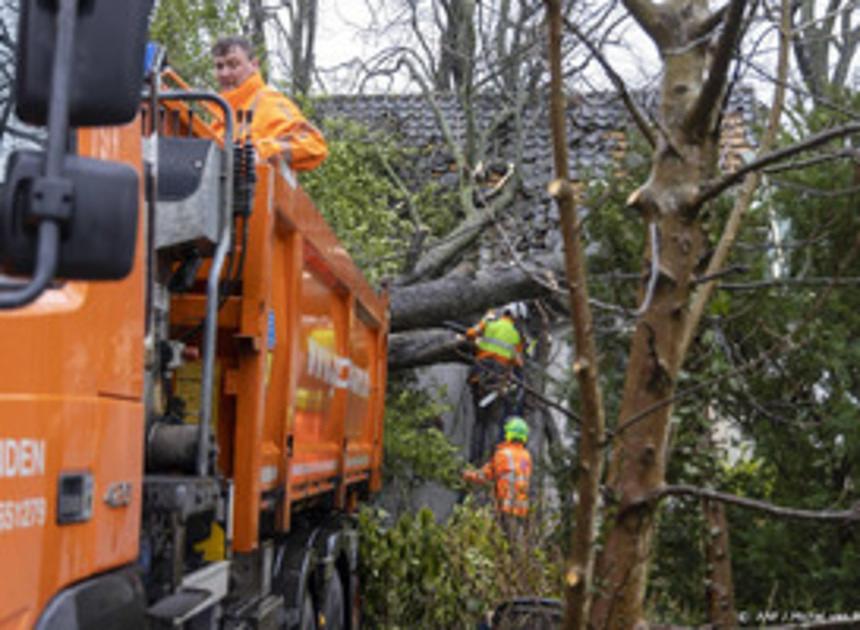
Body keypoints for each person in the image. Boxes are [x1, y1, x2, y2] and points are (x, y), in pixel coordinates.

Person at [210, 36, 328, 171]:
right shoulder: (219, 112)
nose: (224, 73)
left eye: (233, 65)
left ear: (254, 65)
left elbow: (313, 144)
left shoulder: (269, 102)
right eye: (219, 66)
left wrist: (260, 153)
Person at [463, 304, 526, 463]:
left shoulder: (489, 324)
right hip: (497, 381)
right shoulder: (516, 336)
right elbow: (519, 363)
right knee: (495, 422)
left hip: (479, 376)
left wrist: (485, 320)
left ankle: (474, 462)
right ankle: (493, 464)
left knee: (479, 421)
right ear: (515, 316)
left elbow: (469, 334)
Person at [463, 416, 532, 538]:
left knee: (500, 540)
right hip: (521, 510)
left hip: (505, 508)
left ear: (509, 433)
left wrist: (467, 474)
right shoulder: (526, 456)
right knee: (516, 544)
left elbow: (485, 475)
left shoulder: (503, 454)